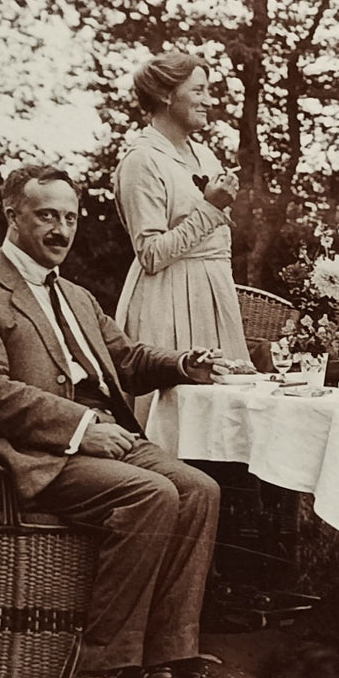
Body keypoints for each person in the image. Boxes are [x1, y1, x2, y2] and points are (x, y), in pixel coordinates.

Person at [0, 163, 230, 678]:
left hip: (104, 436)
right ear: (12, 214)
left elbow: (125, 360)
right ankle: (98, 674)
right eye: (46, 215)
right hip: (35, 450)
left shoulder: (75, 294)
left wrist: (185, 363)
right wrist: (81, 429)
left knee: (200, 490)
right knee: (152, 495)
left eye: (70, 218)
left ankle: (162, 666)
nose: (61, 231)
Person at [113, 52, 251, 420]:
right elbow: (151, 254)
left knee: (224, 414)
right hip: (167, 301)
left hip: (213, 293)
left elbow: (214, 236)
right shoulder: (141, 160)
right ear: (165, 95)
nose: (209, 101)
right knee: (170, 415)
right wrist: (210, 209)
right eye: (199, 91)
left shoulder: (205, 156)